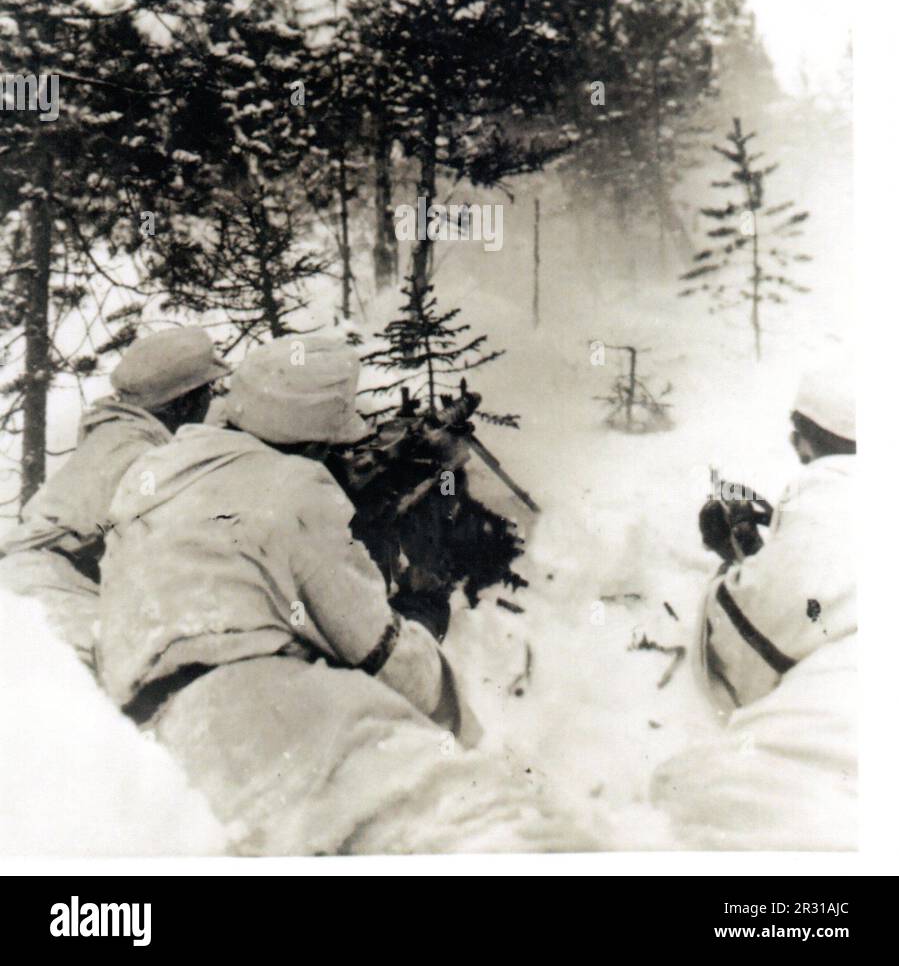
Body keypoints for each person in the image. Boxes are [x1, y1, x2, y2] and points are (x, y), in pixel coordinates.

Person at [99, 333, 595, 854]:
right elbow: (381, 654)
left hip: (144, 735)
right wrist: (426, 617)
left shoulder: (152, 470)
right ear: (314, 440)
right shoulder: (295, 487)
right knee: (487, 826)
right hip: (264, 709)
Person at [652, 356, 857, 849]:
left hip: (846, 709)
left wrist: (734, 560)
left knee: (688, 801)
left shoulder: (829, 490)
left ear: (806, 438)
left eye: (798, 432)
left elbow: (751, 638)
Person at [0, 327, 228, 669]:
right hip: (54, 592)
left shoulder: (117, 431)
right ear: (185, 401)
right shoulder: (146, 456)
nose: (212, 401)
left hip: (30, 574)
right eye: (208, 391)